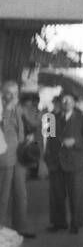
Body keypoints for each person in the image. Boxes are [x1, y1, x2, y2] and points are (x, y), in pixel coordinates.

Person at [47, 93, 83, 234]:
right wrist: (47, 158)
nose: (66, 102)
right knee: (56, 195)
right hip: (56, 162)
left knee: (75, 195)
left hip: (75, 162)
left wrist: (76, 142)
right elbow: (48, 139)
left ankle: (76, 224)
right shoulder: (52, 118)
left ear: (74, 102)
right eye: (63, 100)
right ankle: (59, 223)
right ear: (60, 102)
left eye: (69, 100)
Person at [0, 80, 36, 238]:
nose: (13, 96)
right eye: (9, 92)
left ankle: (20, 227)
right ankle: (0, 230)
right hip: (5, 156)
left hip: (20, 155)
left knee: (21, 193)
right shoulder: (2, 107)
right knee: (3, 195)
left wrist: (27, 138)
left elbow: (30, 124)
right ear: (3, 93)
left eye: (15, 92)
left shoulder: (20, 108)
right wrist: (7, 109)